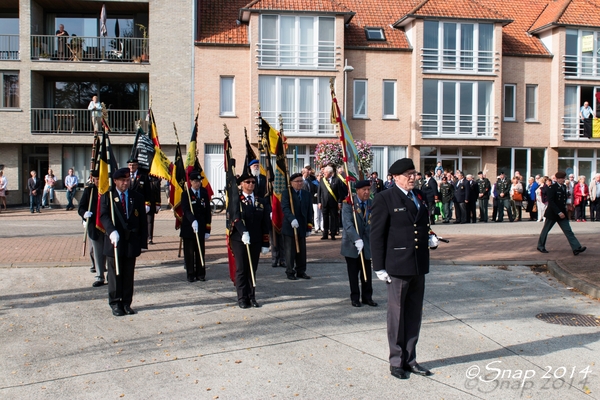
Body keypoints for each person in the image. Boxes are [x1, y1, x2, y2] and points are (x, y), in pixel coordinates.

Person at [371, 158, 434, 380]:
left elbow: (421, 224)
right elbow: (376, 234)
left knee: (414, 314)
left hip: (417, 263)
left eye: (414, 173)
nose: (412, 178)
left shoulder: (418, 196)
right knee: (397, 315)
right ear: (395, 177)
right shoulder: (384, 198)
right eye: (407, 174)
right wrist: (378, 266)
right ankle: (396, 361)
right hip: (397, 265)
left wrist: (431, 237)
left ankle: (410, 358)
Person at [100, 167, 148, 316]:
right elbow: (103, 216)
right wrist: (111, 231)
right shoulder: (107, 196)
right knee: (115, 274)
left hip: (131, 241)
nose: (125, 183)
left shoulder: (137, 197)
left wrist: (142, 242)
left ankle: (126, 302)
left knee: (128, 274)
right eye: (122, 180)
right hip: (115, 241)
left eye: (128, 180)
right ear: (115, 181)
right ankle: (115, 303)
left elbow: (142, 221)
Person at [230, 171, 270, 308]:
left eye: (253, 182)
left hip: (256, 239)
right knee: (242, 268)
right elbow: (235, 217)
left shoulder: (260, 201)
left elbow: (265, 223)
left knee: (252, 268)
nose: (251, 184)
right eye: (248, 182)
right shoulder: (236, 199)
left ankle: (251, 296)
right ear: (241, 184)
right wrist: (243, 232)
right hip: (239, 239)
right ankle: (242, 298)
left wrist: (266, 242)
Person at [341, 180, 376, 307]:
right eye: (364, 190)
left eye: (368, 189)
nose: (367, 192)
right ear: (357, 191)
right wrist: (356, 239)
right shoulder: (348, 204)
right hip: (352, 244)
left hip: (366, 244)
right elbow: (348, 225)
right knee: (353, 272)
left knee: (367, 271)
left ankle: (367, 297)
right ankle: (355, 297)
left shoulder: (372, 204)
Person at [537, 171, 586, 256]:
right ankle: (540, 246)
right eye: (561, 178)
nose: (562, 180)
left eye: (563, 178)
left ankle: (576, 248)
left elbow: (563, 200)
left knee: (568, 231)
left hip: (562, 214)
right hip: (553, 213)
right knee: (546, 230)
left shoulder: (564, 187)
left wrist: (567, 207)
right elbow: (551, 202)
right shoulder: (551, 188)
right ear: (557, 179)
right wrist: (558, 212)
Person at [180, 171, 212, 282]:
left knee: (200, 251)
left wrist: (208, 228)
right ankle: (190, 275)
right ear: (191, 182)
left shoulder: (203, 193)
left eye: (199, 181)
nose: (198, 183)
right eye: (195, 181)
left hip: (201, 227)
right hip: (189, 228)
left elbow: (208, 211)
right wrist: (193, 220)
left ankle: (201, 274)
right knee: (189, 253)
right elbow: (186, 209)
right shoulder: (186, 194)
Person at [281, 173, 314, 280]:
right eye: (297, 181)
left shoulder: (306, 194)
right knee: (290, 251)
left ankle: (301, 271)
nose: (300, 183)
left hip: (302, 226)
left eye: (301, 181)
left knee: (302, 251)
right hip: (290, 225)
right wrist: (292, 219)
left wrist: (309, 226)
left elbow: (310, 211)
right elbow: (285, 208)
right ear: (291, 183)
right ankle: (290, 271)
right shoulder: (287, 193)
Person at [78, 171, 106, 287]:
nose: (98, 181)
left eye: (100, 178)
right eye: (96, 179)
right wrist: (85, 214)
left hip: (107, 225)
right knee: (98, 252)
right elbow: (81, 208)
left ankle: (112, 275)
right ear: (92, 179)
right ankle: (100, 276)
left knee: (110, 253)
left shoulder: (108, 190)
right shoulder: (89, 191)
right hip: (94, 225)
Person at [318, 165, 345, 240]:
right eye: (324, 172)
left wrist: (339, 203)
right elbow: (319, 192)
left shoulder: (337, 180)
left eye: (325, 172)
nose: (324, 174)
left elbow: (340, 193)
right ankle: (325, 234)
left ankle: (333, 234)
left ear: (330, 173)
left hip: (334, 203)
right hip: (324, 203)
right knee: (325, 218)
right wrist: (319, 202)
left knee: (333, 218)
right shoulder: (322, 180)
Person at [146, 176, 162, 244]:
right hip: (142, 202)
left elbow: (157, 191)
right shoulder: (143, 176)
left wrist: (158, 203)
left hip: (152, 202)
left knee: (150, 221)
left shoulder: (155, 179)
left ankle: (150, 238)